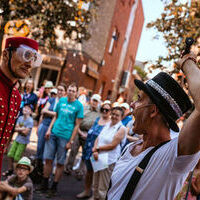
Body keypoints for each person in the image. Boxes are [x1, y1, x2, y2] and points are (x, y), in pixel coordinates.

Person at [107, 52, 200, 200]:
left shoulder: (173, 157)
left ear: (153, 110)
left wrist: (186, 62)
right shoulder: (130, 148)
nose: (132, 104)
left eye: (139, 99)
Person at [0, 37, 42, 175]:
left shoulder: (16, 97)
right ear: (6, 54)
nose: (29, 63)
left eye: (34, 58)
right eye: (26, 55)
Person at [37, 83, 84, 197]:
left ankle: (53, 188)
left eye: (73, 91)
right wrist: (49, 129)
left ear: (77, 93)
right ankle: (44, 185)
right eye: (69, 90)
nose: (71, 92)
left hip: (65, 136)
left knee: (60, 163)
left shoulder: (79, 106)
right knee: (48, 159)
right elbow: (55, 116)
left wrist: (70, 141)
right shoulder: (61, 101)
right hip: (53, 133)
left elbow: (77, 125)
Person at [76, 101, 112, 199]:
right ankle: (87, 191)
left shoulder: (110, 123)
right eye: (103, 109)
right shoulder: (97, 119)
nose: (104, 111)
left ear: (110, 111)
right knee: (89, 172)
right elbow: (92, 131)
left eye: (107, 110)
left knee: (97, 173)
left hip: (99, 151)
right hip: (89, 148)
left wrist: (97, 149)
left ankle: (95, 195)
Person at [92, 106, 126, 200]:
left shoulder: (121, 128)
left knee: (103, 187)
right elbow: (99, 137)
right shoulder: (108, 124)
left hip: (108, 160)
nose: (114, 116)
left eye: (117, 115)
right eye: (113, 114)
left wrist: (97, 149)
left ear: (121, 117)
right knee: (95, 183)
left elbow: (113, 145)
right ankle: (94, 198)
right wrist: (95, 149)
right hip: (97, 157)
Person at [65, 94, 101, 178]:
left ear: (98, 102)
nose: (94, 103)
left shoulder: (99, 113)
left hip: (89, 134)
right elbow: (77, 121)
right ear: (91, 100)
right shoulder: (84, 108)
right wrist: (80, 132)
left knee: (85, 154)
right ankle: (68, 168)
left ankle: (80, 172)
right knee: (73, 150)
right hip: (79, 131)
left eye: (96, 101)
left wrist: (88, 134)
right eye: (93, 100)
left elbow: (98, 126)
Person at [35, 84, 66, 176]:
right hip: (44, 125)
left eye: (62, 90)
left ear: (64, 92)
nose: (60, 91)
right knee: (39, 148)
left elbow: (60, 115)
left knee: (48, 152)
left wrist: (51, 114)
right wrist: (56, 114)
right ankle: (38, 171)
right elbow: (43, 111)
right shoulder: (52, 99)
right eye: (58, 89)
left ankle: (45, 174)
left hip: (54, 128)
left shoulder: (64, 103)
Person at [3, 104, 34, 177]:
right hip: (17, 140)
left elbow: (26, 133)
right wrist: (23, 129)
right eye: (25, 108)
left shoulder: (30, 121)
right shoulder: (20, 118)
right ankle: (10, 170)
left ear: (31, 112)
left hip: (23, 142)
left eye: (28, 109)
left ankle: (15, 175)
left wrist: (20, 129)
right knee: (10, 155)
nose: (25, 109)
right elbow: (15, 129)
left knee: (17, 158)